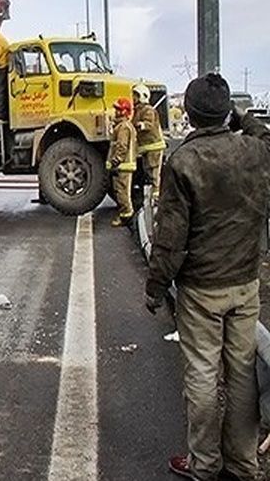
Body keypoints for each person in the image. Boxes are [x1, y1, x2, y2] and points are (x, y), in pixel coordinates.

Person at [145, 72, 270, 481]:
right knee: (242, 372)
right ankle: (243, 463)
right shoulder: (254, 150)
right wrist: (239, 117)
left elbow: (170, 238)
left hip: (201, 287)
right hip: (246, 282)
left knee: (201, 373)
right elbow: (262, 133)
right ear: (225, 112)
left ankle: (205, 463)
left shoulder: (184, 161)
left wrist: (156, 286)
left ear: (192, 115)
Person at [132, 83, 167, 204]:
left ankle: (157, 195)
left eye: (135, 95)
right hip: (146, 147)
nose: (133, 98)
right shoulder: (137, 110)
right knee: (148, 170)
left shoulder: (148, 110)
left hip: (154, 146)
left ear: (142, 96)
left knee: (154, 171)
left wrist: (141, 125)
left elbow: (149, 124)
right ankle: (154, 192)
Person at [105, 97, 137, 227]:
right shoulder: (122, 126)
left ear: (124, 111)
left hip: (123, 165)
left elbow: (121, 147)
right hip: (123, 165)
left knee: (122, 193)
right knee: (120, 191)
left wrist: (114, 161)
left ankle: (126, 217)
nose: (115, 111)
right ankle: (126, 215)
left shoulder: (123, 127)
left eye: (118, 109)